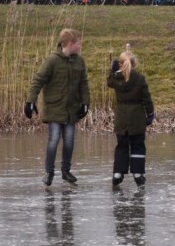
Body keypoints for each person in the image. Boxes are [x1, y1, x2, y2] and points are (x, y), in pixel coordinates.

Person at [25, 28, 91, 186]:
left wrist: (86, 103)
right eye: (78, 43)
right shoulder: (52, 61)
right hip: (55, 109)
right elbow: (38, 81)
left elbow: (84, 84)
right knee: (54, 139)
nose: (80, 45)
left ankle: (66, 171)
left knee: (69, 141)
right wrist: (30, 101)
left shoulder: (79, 61)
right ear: (70, 44)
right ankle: (49, 172)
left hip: (71, 110)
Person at [107, 48, 155, 188]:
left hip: (121, 119)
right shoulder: (139, 79)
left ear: (120, 64)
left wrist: (112, 71)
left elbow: (109, 82)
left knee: (121, 146)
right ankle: (138, 173)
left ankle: (118, 173)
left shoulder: (116, 78)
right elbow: (146, 98)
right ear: (134, 64)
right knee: (138, 146)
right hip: (137, 118)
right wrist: (150, 113)